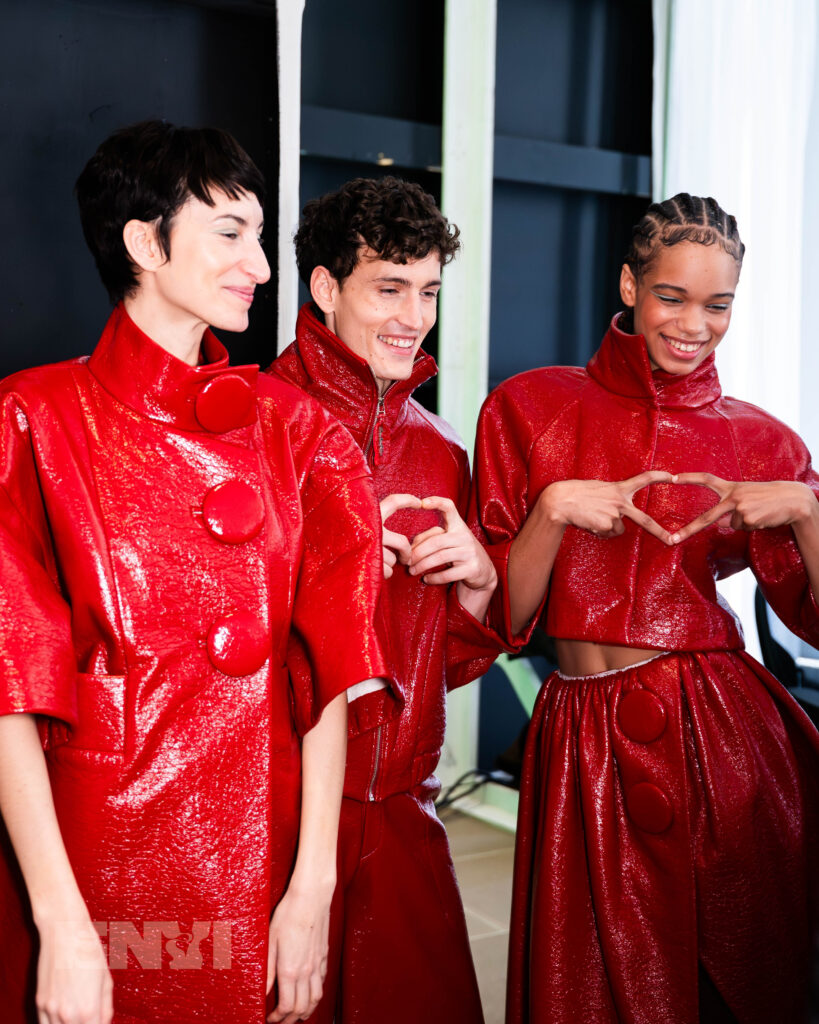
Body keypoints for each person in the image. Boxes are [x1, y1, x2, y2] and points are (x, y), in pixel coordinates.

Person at [0, 121, 392, 1024]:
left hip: (262, 849)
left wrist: (312, 891)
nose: (259, 265)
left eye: (260, 235)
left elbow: (327, 673)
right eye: (229, 233)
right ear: (145, 243)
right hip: (94, 856)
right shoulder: (33, 418)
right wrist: (61, 921)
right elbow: (12, 688)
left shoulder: (299, 433)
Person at [471, 194, 819, 1023]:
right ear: (629, 285)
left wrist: (809, 515)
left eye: (717, 305)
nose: (694, 325)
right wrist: (551, 510)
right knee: (587, 983)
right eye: (671, 296)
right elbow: (501, 621)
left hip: (718, 732)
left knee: (733, 974)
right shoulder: (527, 407)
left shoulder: (765, 441)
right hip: (578, 731)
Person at [269, 176, 507, 1024]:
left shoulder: (441, 451)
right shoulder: (249, 424)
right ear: (326, 287)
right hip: (274, 817)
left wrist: (476, 586)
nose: (413, 316)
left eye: (428, 291)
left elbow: (446, 667)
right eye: (389, 288)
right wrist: (329, 570)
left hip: (405, 810)